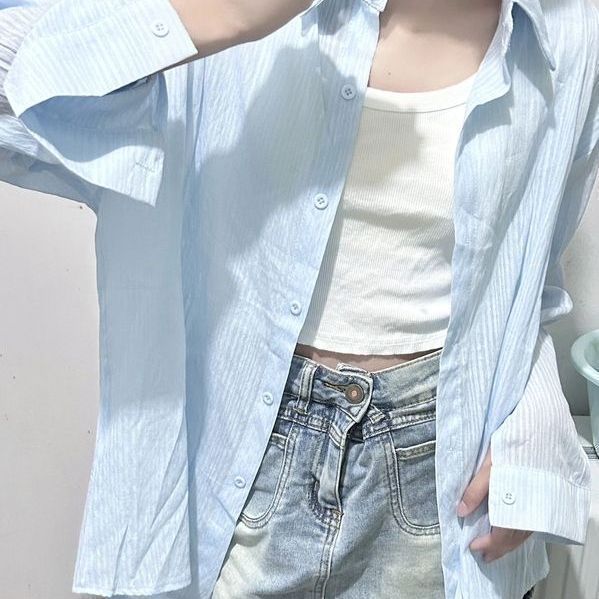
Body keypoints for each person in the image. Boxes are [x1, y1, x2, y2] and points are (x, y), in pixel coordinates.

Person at [0, 0, 597, 597]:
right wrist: (219, 18)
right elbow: (17, 109)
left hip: (442, 473)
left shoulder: (570, 33)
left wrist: (533, 429)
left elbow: (528, 277)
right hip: (235, 457)